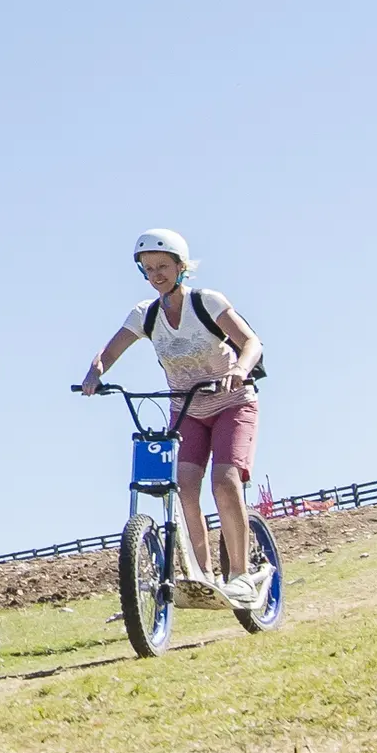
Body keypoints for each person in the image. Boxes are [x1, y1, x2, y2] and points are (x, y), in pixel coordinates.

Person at [80, 229, 266, 599]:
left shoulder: (207, 302)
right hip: (187, 410)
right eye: (148, 268)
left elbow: (251, 342)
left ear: (181, 267)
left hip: (233, 402)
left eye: (163, 266)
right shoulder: (145, 314)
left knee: (225, 481)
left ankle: (242, 574)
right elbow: (112, 350)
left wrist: (239, 370)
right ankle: (203, 575)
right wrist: (96, 372)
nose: (156, 274)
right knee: (183, 489)